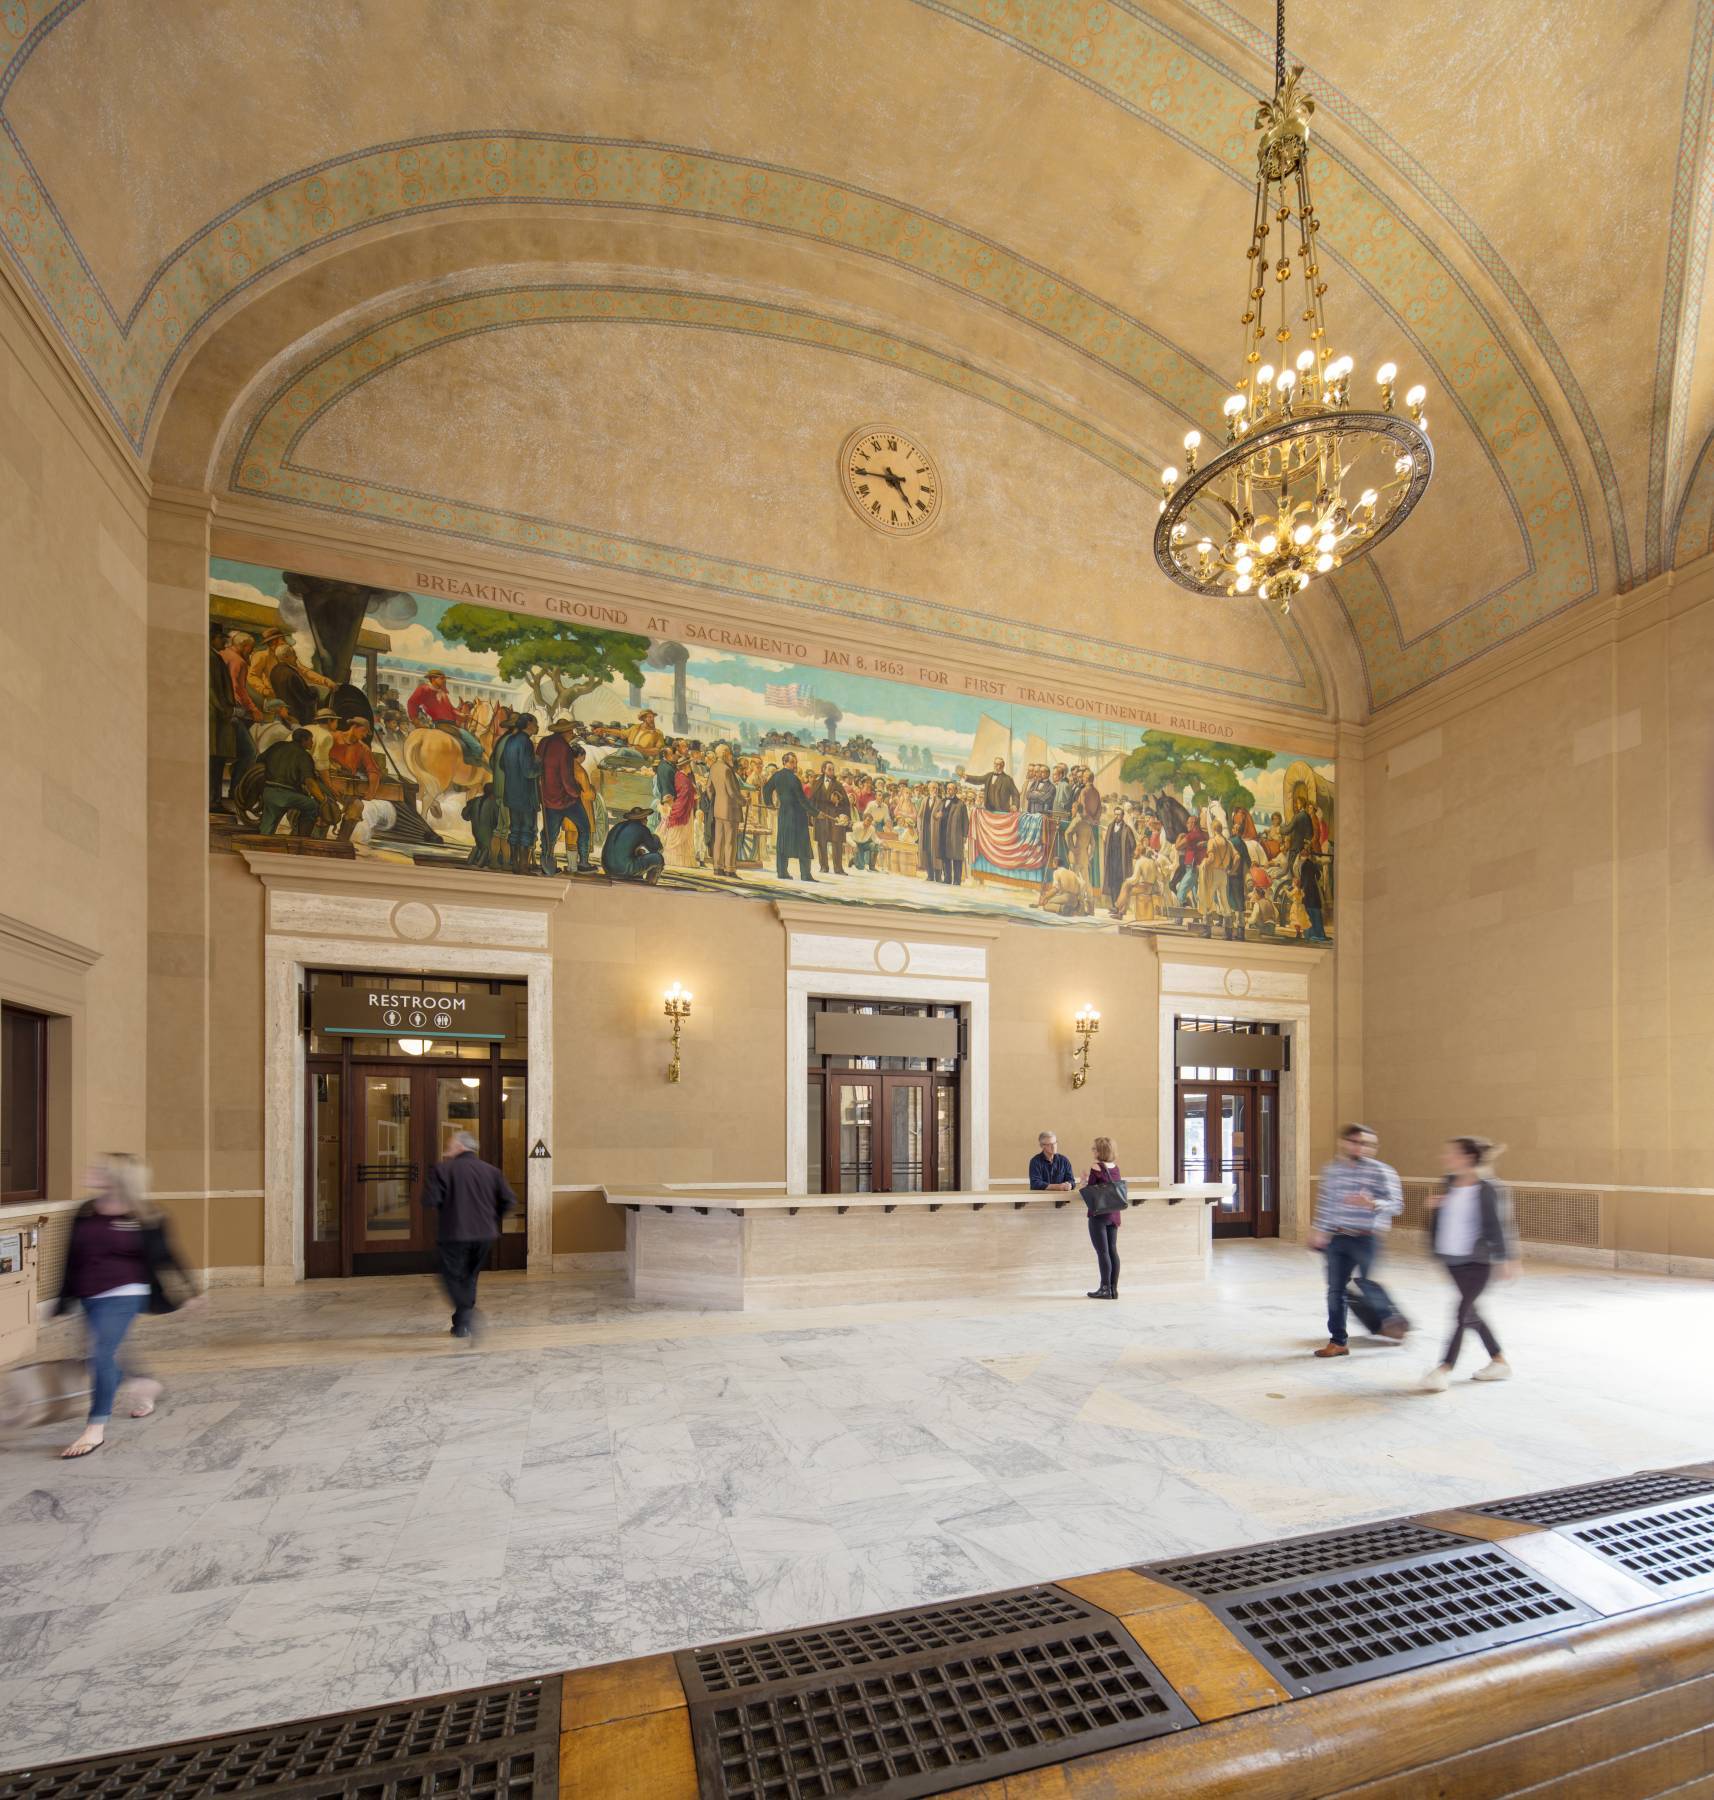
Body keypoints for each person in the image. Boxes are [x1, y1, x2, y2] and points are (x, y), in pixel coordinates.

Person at [53, 1155, 203, 1458]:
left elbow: (166, 1256)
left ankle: (95, 1428)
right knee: (102, 1353)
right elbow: (70, 1256)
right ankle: (145, 1384)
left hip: (125, 1291)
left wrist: (191, 1291)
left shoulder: (145, 1216)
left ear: (116, 1178)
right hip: (87, 1293)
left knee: (101, 1354)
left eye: (99, 1170)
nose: (90, 1172)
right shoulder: (84, 1211)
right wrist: (63, 1298)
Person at [1422, 1137, 1518, 1390]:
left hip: (1478, 1261)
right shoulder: (1448, 1183)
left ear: (1467, 1157)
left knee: (1462, 1312)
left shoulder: (1489, 1188)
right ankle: (1499, 1361)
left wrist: (1507, 1258)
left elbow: (1500, 1225)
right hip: (1451, 1259)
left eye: (1451, 1153)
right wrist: (1435, 1208)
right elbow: (1444, 1220)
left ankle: (1444, 1368)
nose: (1446, 1158)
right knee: (1471, 1312)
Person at [1308, 1124, 1410, 1357]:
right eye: (1356, 1142)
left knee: (1368, 1283)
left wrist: (1374, 1203)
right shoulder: (1332, 1171)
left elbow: (1397, 1205)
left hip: (1367, 1238)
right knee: (1336, 1291)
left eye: (1366, 1144)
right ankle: (1338, 1342)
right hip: (1338, 1238)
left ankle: (1391, 1322)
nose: (1360, 1147)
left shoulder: (1382, 1171)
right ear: (1344, 1143)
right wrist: (1319, 1231)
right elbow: (1326, 1204)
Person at [421, 1130, 515, 1339]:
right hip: (485, 1235)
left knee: (451, 1276)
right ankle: (462, 1324)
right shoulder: (492, 1171)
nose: (447, 1149)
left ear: (460, 1147)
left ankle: (467, 1312)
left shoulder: (442, 1169)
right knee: (470, 1276)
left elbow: (429, 1200)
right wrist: (492, 1218)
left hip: (454, 1234)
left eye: (450, 1144)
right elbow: (509, 1201)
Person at [539, 721, 596, 874]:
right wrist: (576, 792)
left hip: (548, 798)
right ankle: (583, 863)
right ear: (564, 732)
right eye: (571, 731)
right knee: (584, 827)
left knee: (550, 833)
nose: (572, 734)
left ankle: (546, 861)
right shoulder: (564, 748)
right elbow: (566, 777)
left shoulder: (544, 742)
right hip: (565, 799)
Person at [257, 728, 330, 836]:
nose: (312, 742)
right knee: (312, 806)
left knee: (267, 828)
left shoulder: (278, 746)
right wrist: (324, 801)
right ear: (304, 740)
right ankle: (302, 838)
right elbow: (310, 783)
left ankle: (261, 842)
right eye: (310, 740)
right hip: (287, 796)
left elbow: (259, 760)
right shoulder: (304, 756)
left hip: (269, 793)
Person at [406, 669, 486, 766]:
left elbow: (451, 709)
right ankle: (475, 759)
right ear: (432, 678)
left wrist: (462, 716)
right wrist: (415, 719)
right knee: (475, 744)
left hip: (450, 724)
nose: (444, 681)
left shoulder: (443, 693)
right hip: (442, 724)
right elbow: (412, 702)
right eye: (441, 678)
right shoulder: (424, 689)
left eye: (444, 679)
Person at [493, 713, 540, 873]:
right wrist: (540, 764)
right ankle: (523, 866)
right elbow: (529, 772)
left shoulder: (510, 740)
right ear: (528, 724)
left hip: (511, 793)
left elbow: (501, 764)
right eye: (535, 723)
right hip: (525, 795)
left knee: (515, 829)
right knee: (527, 829)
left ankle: (514, 863)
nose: (537, 726)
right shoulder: (525, 742)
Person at [1082, 1136, 1125, 1299]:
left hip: (1099, 1214)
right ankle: (1113, 1289)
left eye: (1094, 1148)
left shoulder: (1096, 1166)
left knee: (1102, 1252)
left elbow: (1092, 1190)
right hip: (1114, 1214)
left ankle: (1104, 1288)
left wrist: (1084, 1181)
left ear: (1100, 1151)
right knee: (1113, 1250)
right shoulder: (1115, 1167)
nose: (1092, 1151)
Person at [764, 752, 815, 881]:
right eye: (792, 762)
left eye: (796, 762)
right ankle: (805, 874)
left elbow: (766, 790)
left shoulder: (777, 776)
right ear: (785, 762)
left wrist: (769, 803)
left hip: (784, 813)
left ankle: (782, 872)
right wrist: (815, 812)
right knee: (803, 843)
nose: (795, 765)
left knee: (783, 842)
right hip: (797, 814)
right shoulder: (794, 779)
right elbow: (802, 800)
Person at [601, 806, 665, 883]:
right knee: (658, 858)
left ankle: (636, 878)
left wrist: (639, 852)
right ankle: (650, 884)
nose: (647, 820)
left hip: (607, 868)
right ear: (642, 819)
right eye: (645, 818)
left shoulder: (618, 825)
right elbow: (656, 849)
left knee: (639, 853)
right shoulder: (642, 829)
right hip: (623, 869)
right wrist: (656, 838)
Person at [709, 743, 744, 876]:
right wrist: (743, 801)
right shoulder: (727, 770)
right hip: (730, 810)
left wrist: (716, 800)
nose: (731, 755)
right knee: (730, 841)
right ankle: (730, 869)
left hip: (718, 809)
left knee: (718, 840)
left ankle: (717, 867)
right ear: (725, 754)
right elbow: (732, 792)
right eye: (729, 753)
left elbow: (709, 789)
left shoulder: (713, 768)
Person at [810, 762, 852, 875]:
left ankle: (838, 868)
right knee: (822, 842)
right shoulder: (816, 784)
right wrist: (812, 815)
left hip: (835, 816)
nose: (832, 771)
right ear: (823, 770)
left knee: (837, 842)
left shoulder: (838, 785)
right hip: (821, 816)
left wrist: (839, 803)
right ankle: (824, 866)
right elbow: (812, 801)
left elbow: (846, 803)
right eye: (829, 769)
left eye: (833, 769)